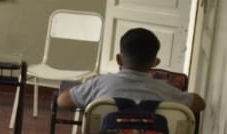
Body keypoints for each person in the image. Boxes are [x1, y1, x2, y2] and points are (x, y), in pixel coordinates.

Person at [57, 27, 205, 113]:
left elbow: (62, 101)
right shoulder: (165, 91)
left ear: (119, 59)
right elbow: (200, 103)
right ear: (156, 63)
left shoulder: (99, 84)